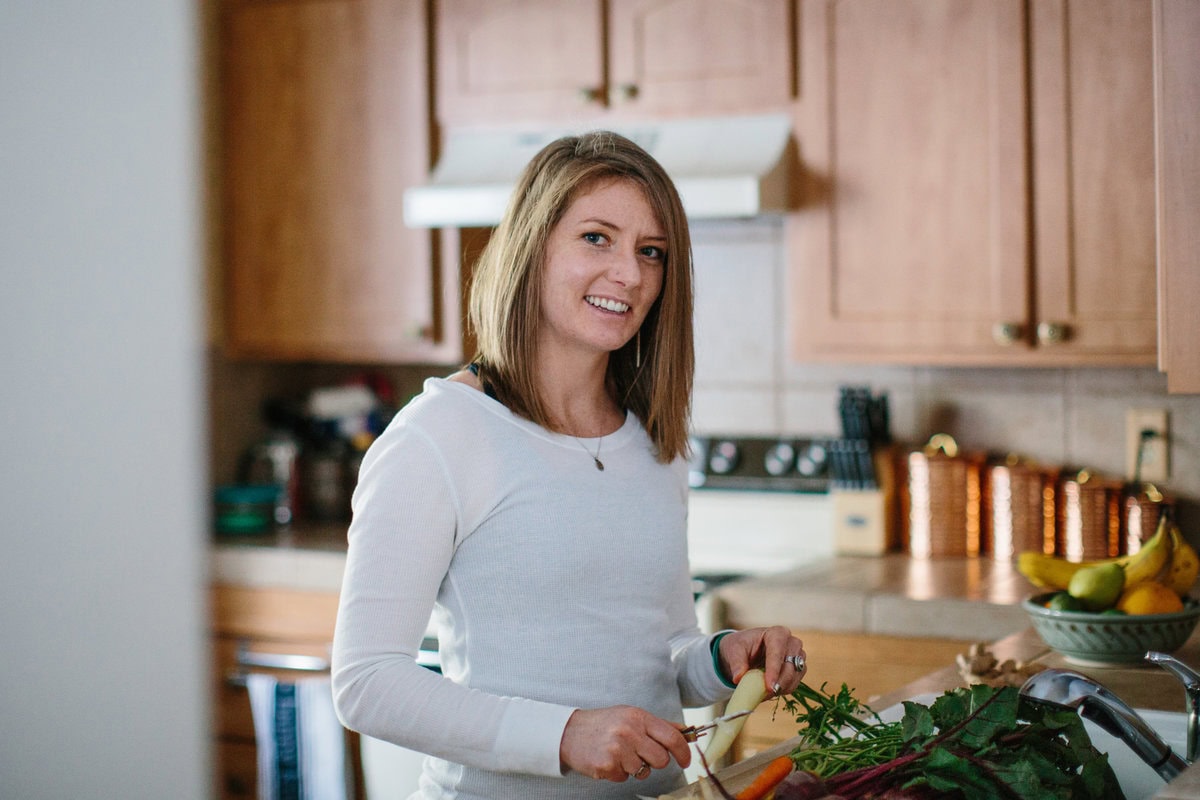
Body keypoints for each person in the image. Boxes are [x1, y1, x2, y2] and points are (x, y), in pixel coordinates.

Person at [331, 131, 808, 800]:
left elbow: (656, 650)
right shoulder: (440, 435)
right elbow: (366, 682)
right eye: (596, 238)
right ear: (533, 247)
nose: (630, 274)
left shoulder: (651, 442)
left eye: (651, 252)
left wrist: (722, 659)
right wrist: (565, 735)